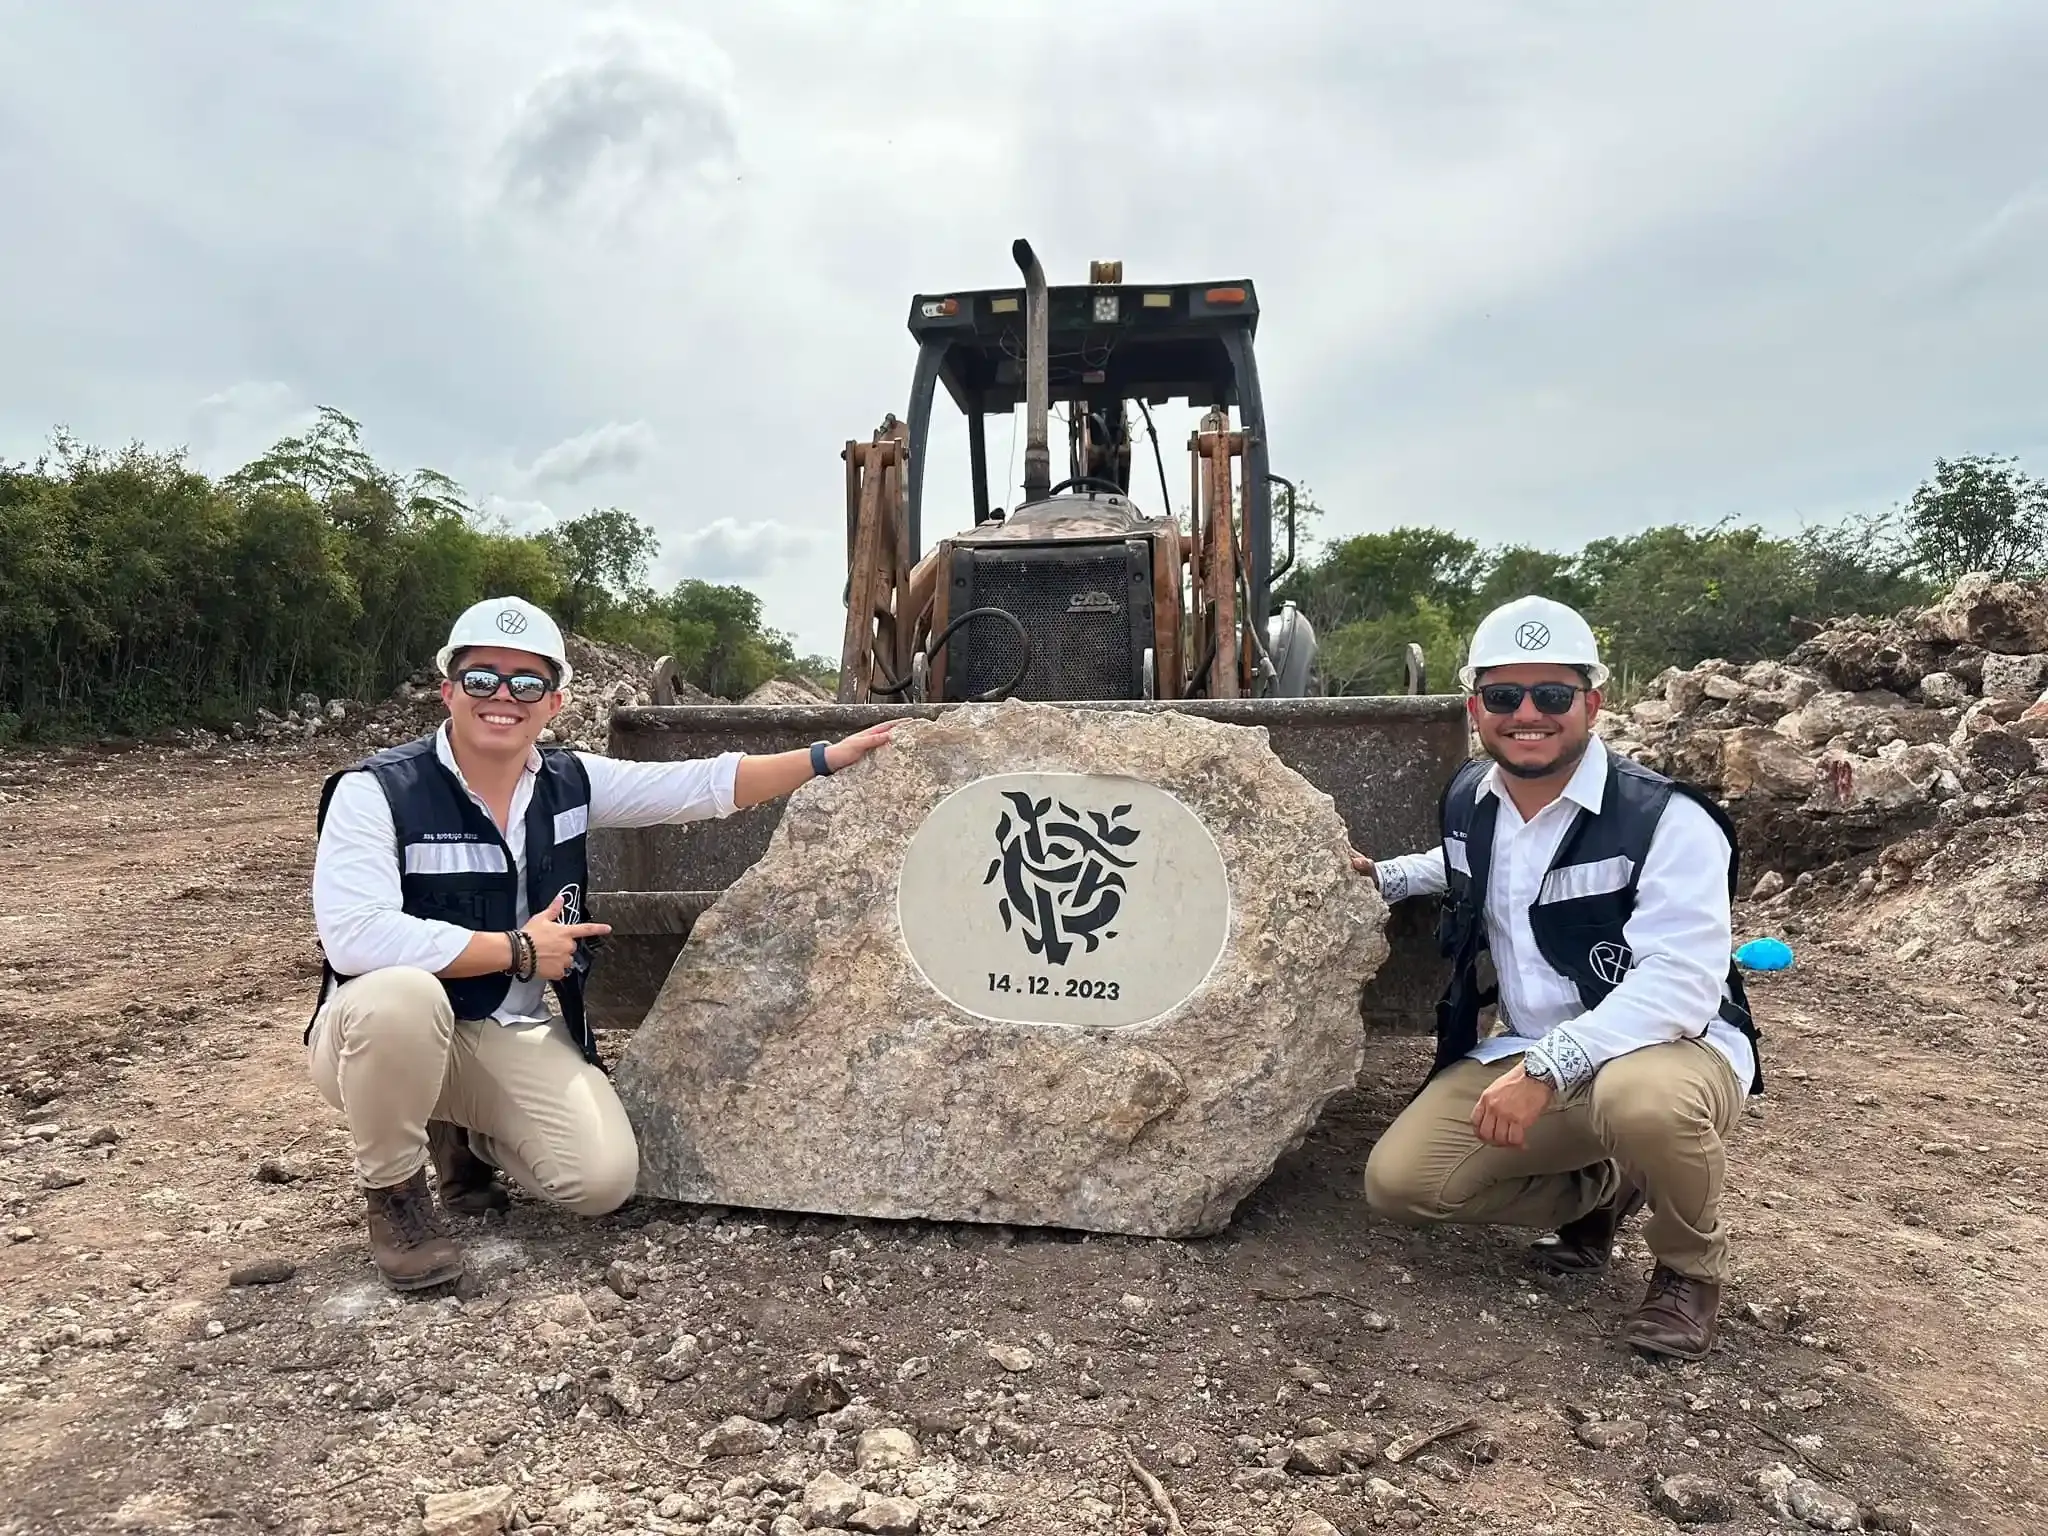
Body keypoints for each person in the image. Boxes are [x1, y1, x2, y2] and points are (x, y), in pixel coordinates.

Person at [306, 596, 898, 1291]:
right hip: (374, 1039)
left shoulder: (569, 783)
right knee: (402, 996)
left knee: (600, 1179)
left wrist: (825, 758)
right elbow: (355, 936)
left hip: (499, 1029)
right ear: (449, 691)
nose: (503, 697)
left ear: (553, 702)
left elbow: (699, 785)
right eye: (482, 678)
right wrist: (517, 951)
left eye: (527, 683)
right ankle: (396, 1198)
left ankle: (464, 1130)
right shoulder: (378, 791)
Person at [1350, 595, 1762, 1360]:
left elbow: (1680, 983)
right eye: (1504, 695)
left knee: (1643, 1102)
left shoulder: (1668, 820)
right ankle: (1601, 1192)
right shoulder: (1473, 797)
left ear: (1592, 704)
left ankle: (1688, 1271)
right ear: (1476, 708)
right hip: (1532, 1048)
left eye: (1552, 694)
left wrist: (1550, 1068)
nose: (1528, 714)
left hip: (1667, 1047)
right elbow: (1471, 864)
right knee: (1402, 1183)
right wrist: (1383, 876)